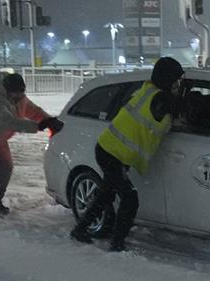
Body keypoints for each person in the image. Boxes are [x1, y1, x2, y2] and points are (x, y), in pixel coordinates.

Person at [70, 56, 185, 251]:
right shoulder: (161, 99)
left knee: (107, 192)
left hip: (110, 150)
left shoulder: (150, 89)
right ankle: (117, 243)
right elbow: (182, 107)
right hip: (112, 154)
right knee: (130, 199)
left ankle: (80, 230)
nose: (178, 84)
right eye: (176, 79)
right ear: (168, 79)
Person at [0, 71, 62, 215]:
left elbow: (34, 111)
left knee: (6, 169)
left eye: (21, 93)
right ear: (7, 90)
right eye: (16, 93)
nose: (19, 97)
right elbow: (10, 122)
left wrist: (49, 121)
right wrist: (39, 126)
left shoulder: (20, 98)